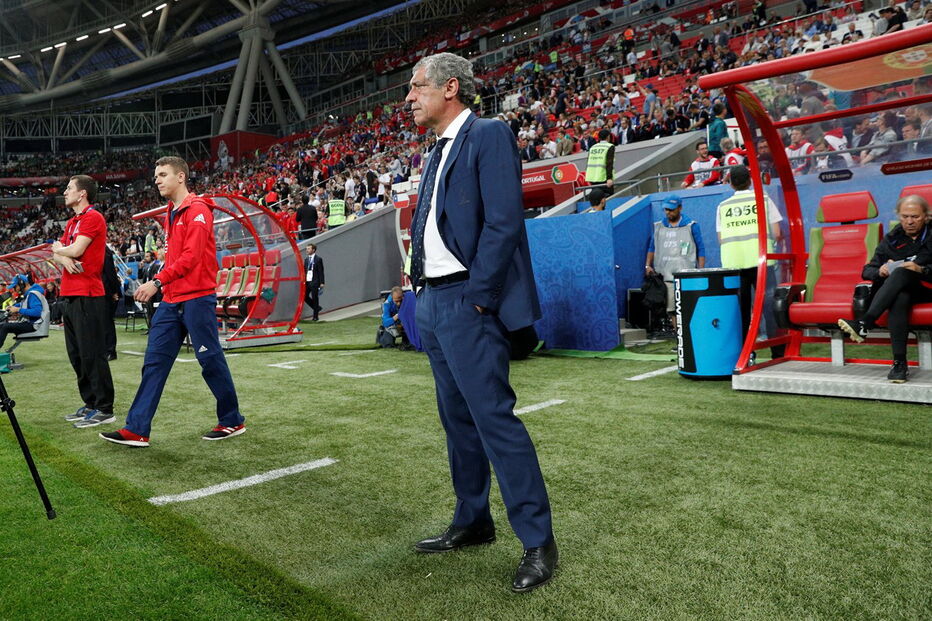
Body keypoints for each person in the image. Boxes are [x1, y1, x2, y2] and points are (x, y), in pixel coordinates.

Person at [404, 52, 556, 593]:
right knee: (457, 421)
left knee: (493, 419)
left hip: (467, 300)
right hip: (433, 300)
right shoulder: (435, 150)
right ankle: (473, 519)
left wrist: (478, 300)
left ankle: (537, 541)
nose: (409, 97)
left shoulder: (487, 134)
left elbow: (504, 223)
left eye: (416, 86)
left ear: (450, 88)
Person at [100, 156, 245, 448]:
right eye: (156, 175)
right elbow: (177, 258)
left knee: (210, 360)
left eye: (163, 174)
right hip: (172, 299)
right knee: (154, 362)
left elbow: (191, 257)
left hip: (197, 298)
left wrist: (156, 281)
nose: (157, 180)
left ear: (181, 177)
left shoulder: (198, 210)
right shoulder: (171, 211)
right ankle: (136, 429)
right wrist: (164, 284)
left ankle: (232, 420)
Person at [838, 195, 932, 383]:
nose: (909, 221)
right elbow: (867, 270)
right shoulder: (892, 239)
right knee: (900, 295)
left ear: (926, 216)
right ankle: (899, 364)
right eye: (905, 216)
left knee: (901, 272)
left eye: (915, 217)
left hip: (927, 287)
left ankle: (865, 322)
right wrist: (880, 271)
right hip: (904, 290)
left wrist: (921, 269)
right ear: (899, 216)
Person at [52, 174, 115, 429]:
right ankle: (90, 403)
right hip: (70, 293)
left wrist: (60, 251)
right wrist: (62, 255)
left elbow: (76, 250)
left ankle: (105, 408)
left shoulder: (93, 217)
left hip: (88, 294)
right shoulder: (72, 222)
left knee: (92, 353)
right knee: (76, 355)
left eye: (69, 188)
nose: (65, 192)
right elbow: (61, 253)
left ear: (82, 194)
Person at [715, 165, 785, 358]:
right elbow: (777, 232)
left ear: (731, 184)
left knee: (741, 311)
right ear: (750, 180)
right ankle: (777, 352)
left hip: (734, 264)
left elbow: (721, 239)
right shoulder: (763, 200)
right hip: (762, 262)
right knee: (769, 307)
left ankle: (745, 354)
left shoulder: (723, 207)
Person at [645, 195, 706, 329]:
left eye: (671, 209)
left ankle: (690, 335)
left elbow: (700, 248)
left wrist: (700, 271)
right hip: (666, 277)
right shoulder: (658, 226)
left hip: (687, 276)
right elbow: (652, 247)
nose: (668, 212)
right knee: (672, 310)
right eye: (666, 209)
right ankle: (679, 337)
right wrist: (647, 265)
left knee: (689, 307)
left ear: (680, 208)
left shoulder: (691, 225)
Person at [0, 275, 45, 348]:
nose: (14, 289)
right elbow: (23, 304)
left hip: (34, 325)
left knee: (5, 327)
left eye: (15, 287)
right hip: (31, 323)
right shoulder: (30, 294)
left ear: (22, 284)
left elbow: (37, 312)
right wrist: (14, 306)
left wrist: (18, 309)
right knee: (2, 325)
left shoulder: (33, 294)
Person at [102, 246, 121, 361]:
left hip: (106, 291)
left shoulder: (104, 251)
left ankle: (110, 350)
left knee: (106, 322)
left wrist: (114, 291)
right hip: (101, 290)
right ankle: (106, 349)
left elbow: (110, 273)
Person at [303, 243, 325, 321]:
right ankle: (317, 308)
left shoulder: (318, 259)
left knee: (315, 298)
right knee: (304, 296)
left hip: (315, 281)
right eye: (306, 249)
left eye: (309, 249)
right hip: (307, 281)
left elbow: (321, 272)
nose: (307, 250)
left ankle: (315, 316)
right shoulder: (306, 260)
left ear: (313, 250)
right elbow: (304, 271)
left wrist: (322, 282)